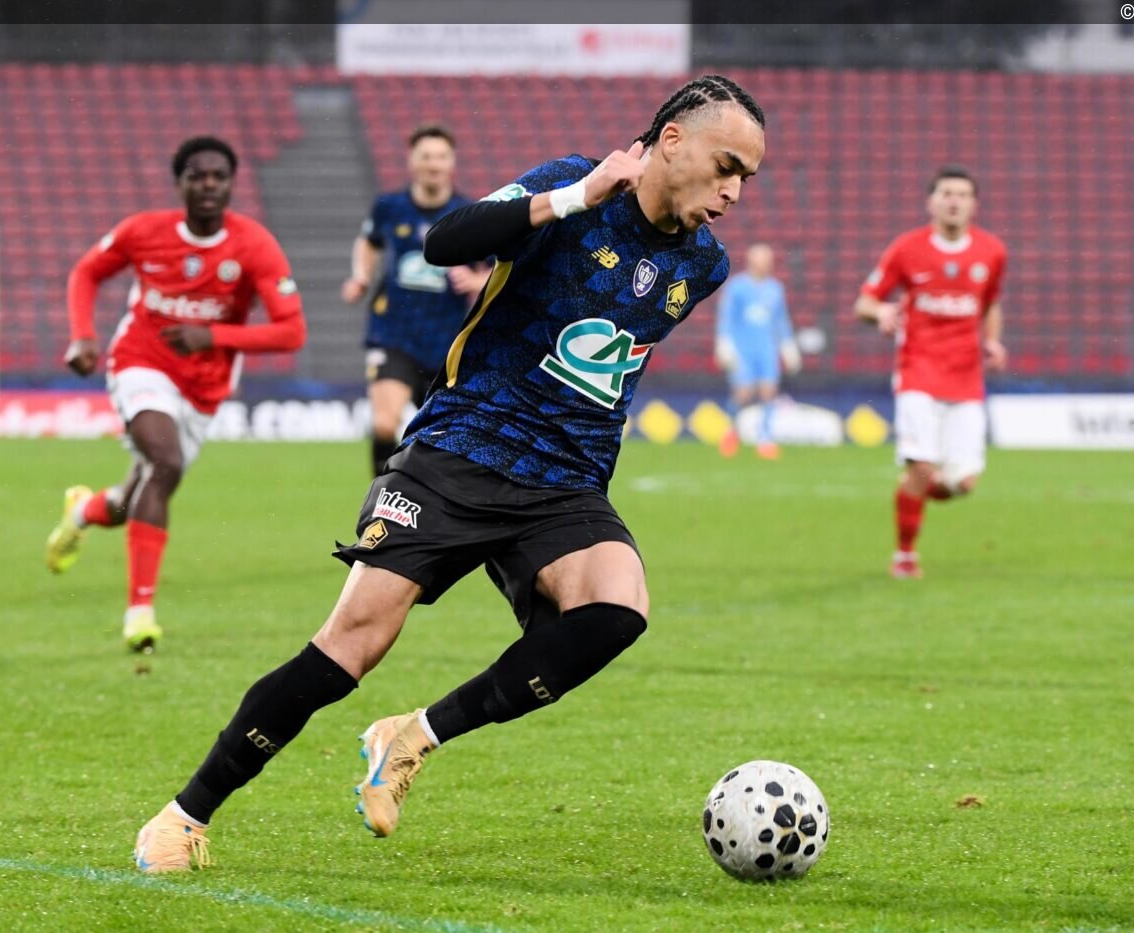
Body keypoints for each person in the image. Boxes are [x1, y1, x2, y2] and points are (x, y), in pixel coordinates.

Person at [131, 75, 765, 874]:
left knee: (616, 609)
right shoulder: (571, 184)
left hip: (566, 479)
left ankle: (412, 736)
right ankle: (184, 814)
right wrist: (575, 198)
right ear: (672, 139)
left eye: (747, 177)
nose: (734, 191)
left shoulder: (703, 265)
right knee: (352, 645)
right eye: (727, 166)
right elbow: (444, 240)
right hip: (461, 449)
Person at [46, 136, 307, 651]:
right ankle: (140, 613)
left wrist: (213, 336)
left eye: (218, 177)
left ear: (231, 185)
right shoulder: (144, 231)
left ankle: (82, 512)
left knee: (138, 494)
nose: (208, 185)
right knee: (164, 463)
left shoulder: (254, 245)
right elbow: (86, 272)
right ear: (180, 183)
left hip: (203, 389)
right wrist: (83, 335)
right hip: (140, 364)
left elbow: (291, 331)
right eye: (197, 176)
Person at [854, 165, 1008, 579]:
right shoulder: (907, 249)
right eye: (946, 194)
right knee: (922, 466)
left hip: (966, 379)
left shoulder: (992, 252)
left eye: (962, 194)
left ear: (974, 204)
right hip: (917, 373)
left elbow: (990, 303)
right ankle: (905, 555)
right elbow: (865, 302)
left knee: (963, 482)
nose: (954, 201)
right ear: (932, 202)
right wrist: (881, 313)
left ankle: (913, 488)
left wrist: (992, 341)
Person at [341, 124, 491, 475]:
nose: (433, 164)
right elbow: (368, 242)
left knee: (442, 439)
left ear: (452, 162)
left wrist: (475, 280)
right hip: (394, 334)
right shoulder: (389, 207)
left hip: (446, 342)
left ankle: (428, 498)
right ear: (411, 160)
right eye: (426, 156)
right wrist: (361, 276)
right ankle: (380, 497)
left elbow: (498, 267)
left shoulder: (470, 214)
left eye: (440, 157)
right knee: (384, 424)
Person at [714, 243, 800, 459]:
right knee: (743, 393)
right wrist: (724, 343)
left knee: (769, 391)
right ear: (752, 261)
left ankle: (765, 438)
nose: (766, 264)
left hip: (767, 348)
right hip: (743, 348)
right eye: (762, 260)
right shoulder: (736, 287)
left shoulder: (775, 289)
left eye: (769, 260)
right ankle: (730, 430)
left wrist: (788, 346)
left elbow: (781, 321)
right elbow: (726, 317)